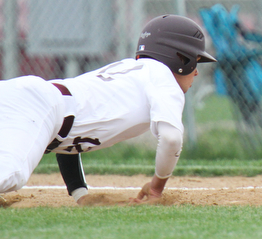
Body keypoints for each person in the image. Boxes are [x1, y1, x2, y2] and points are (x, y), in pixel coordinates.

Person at [0, 14, 216, 205]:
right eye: (195, 62)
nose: (196, 73)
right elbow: (171, 138)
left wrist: (81, 194)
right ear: (181, 59)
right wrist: (156, 189)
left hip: (25, 98)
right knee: (11, 175)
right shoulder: (164, 78)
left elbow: (67, 132)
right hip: (36, 105)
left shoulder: (132, 71)